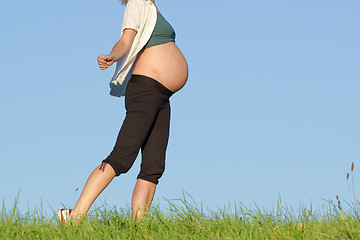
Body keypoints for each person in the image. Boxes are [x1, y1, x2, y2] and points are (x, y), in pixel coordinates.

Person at [58, 0, 188, 222]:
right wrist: (112, 55)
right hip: (146, 90)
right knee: (121, 157)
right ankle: (75, 215)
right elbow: (125, 40)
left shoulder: (151, 7)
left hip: (162, 95)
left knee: (153, 167)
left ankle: (140, 226)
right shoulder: (137, 3)